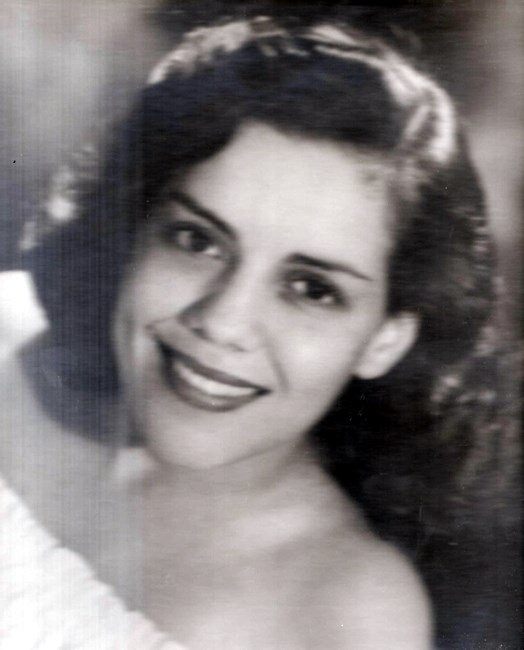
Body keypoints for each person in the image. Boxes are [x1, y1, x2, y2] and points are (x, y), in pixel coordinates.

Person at [2, 14, 520, 650]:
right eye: (197, 240)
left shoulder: (347, 610)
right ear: (137, 228)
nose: (223, 321)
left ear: (384, 339)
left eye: (311, 289)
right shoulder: (9, 347)